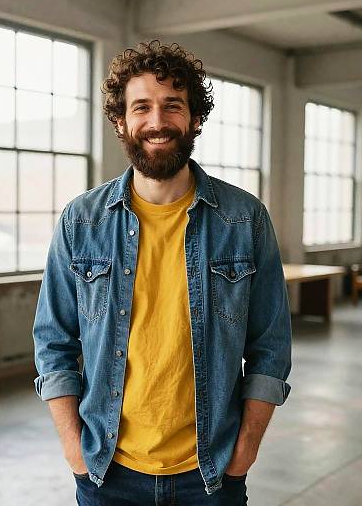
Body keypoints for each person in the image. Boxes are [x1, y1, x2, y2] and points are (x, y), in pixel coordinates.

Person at [33, 40, 292, 506]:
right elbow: (53, 342)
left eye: (173, 105)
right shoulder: (82, 221)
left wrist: (244, 455)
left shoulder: (244, 219)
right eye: (141, 107)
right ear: (120, 120)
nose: (157, 122)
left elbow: (270, 347)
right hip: (107, 472)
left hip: (210, 475)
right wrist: (75, 450)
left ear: (194, 118)